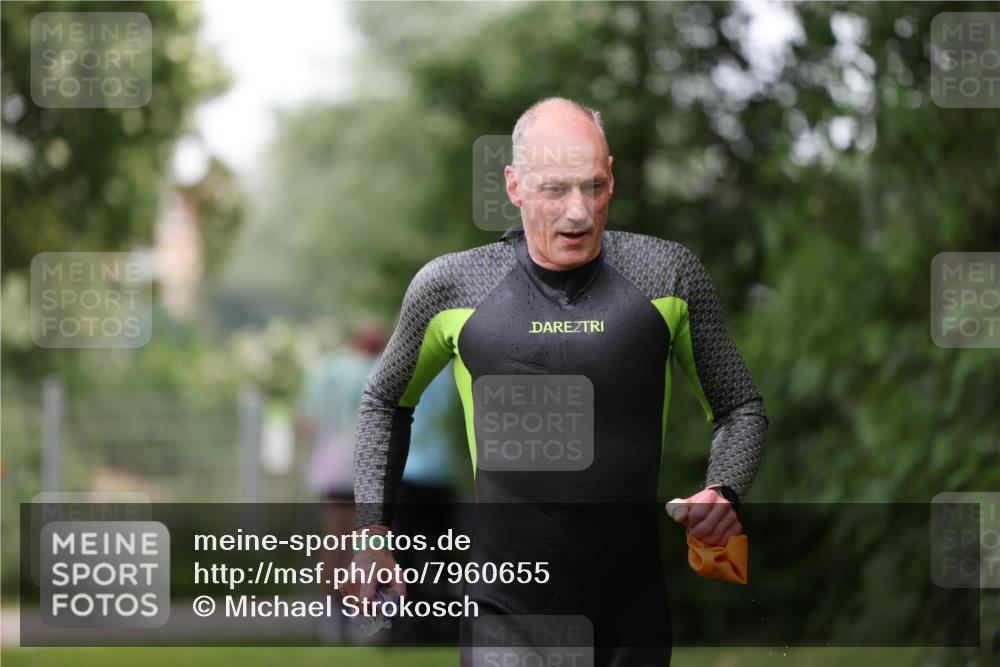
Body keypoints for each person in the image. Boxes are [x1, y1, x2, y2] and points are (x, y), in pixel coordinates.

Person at [349, 97, 768, 665]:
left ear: (612, 177)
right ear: (514, 185)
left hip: (630, 616)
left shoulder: (667, 275)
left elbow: (740, 407)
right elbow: (384, 400)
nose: (579, 213)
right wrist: (374, 530)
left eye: (594, 187)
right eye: (556, 190)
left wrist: (724, 489)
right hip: (504, 616)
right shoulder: (452, 287)